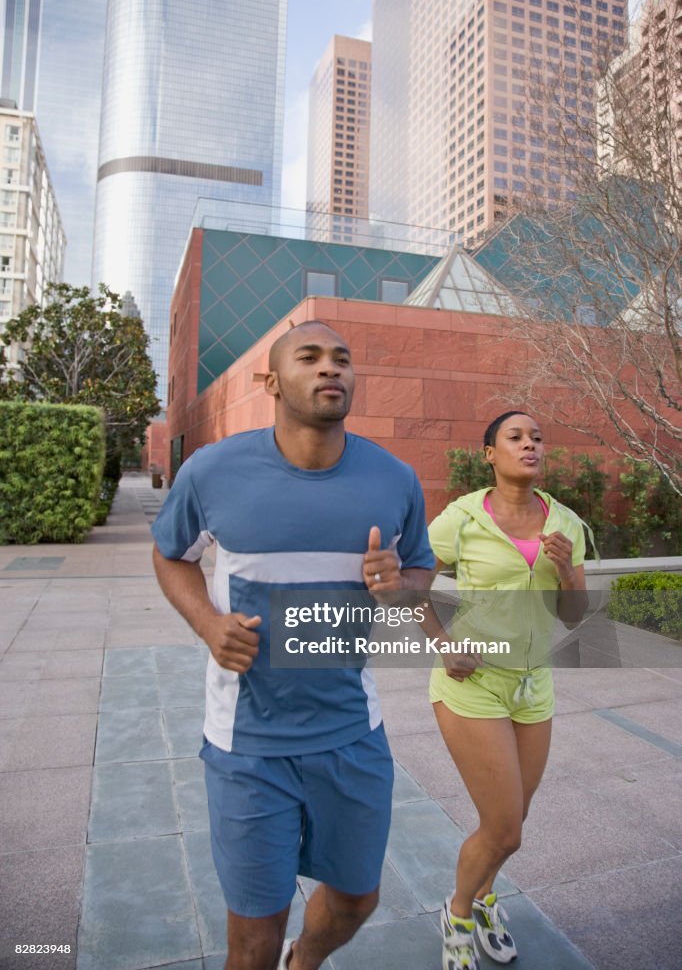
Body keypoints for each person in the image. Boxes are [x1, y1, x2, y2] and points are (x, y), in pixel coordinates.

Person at [151, 320, 435, 970]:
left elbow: (420, 570)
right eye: (309, 357)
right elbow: (171, 557)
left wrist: (400, 586)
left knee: (357, 902)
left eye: (342, 358)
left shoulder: (394, 478)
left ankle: (303, 961)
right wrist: (208, 624)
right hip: (247, 747)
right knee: (253, 938)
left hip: (353, 737)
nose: (330, 368)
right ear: (273, 381)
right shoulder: (214, 472)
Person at [427, 411, 588, 970]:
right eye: (515, 437)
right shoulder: (462, 518)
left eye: (538, 437)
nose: (530, 445)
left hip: (533, 685)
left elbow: (575, 616)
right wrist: (445, 644)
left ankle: (488, 901)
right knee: (505, 828)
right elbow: (409, 587)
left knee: (509, 825)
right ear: (490, 454)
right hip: (473, 684)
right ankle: (459, 915)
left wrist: (568, 572)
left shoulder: (565, 522)